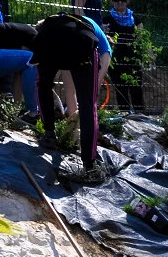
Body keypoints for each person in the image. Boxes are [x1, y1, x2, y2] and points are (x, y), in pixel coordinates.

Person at [31, 13, 113, 172]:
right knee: (88, 103)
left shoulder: (57, 21)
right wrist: (89, 93)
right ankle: (89, 163)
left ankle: (49, 133)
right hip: (80, 41)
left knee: (43, 85)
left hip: (47, 38)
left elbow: (69, 81)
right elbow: (103, 63)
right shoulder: (101, 40)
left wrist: (73, 112)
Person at [105, 0, 145, 112]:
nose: (120, 2)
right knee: (120, 89)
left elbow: (141, 38)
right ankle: (125, 116)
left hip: (133, 59)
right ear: (112, 2)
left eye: (122, 0)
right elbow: (104, 37)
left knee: (136, 87)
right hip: (116, 59)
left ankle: (140, 114)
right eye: (116, 0)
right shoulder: (107, 19)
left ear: (127, 2)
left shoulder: (136, 19)